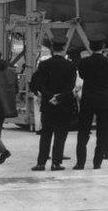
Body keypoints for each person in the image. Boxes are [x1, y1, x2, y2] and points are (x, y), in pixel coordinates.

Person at [29, 37, 77, 171]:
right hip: (64, 106)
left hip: (48, 105)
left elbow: (36, 83)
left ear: (51, 50)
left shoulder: (44, 65)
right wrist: (59, 97)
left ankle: (41, 163)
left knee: (46, 135)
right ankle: (56, 163)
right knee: (60, 136)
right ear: (63, 50)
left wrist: (49, 96)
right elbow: (70, 86)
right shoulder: (70, 66)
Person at [75, 42, 108, 169]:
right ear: (103, 48)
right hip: (104, 99)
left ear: (90, 48)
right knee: (103, 131)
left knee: (83, 131)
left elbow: (82, 75)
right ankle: (97, 162)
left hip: (88, 98)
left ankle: (80, 162)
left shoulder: (84, 62)